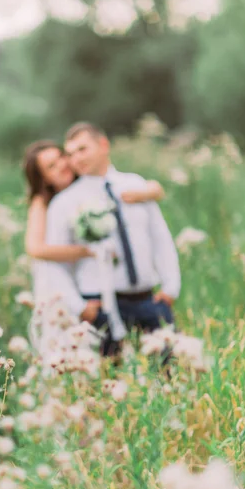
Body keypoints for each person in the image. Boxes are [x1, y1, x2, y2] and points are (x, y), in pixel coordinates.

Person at [44, 122, 181, 356]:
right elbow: (55, 264)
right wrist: (80, 307)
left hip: (148, 299)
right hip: (99, 304)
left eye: (82, 149)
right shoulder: (65, 203)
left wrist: (170, 288)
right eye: (70, 153)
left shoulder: (136, 185)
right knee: (109, 382)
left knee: (171, 373)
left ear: (103, 145)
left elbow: (160, 238)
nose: (75, 159)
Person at [23, 139, 165, 300]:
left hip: (87, 278)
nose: (62, 165)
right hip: (56, 277)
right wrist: (88, 251)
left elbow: (149, 188)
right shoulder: (42, 202)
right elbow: (35, 248)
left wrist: (148, 192)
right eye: (51, 166)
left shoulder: (86, 184)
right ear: (44, 179)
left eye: (62, 157)